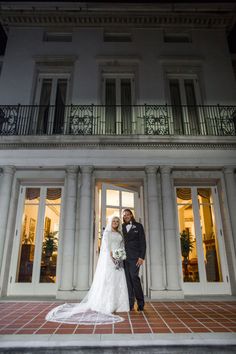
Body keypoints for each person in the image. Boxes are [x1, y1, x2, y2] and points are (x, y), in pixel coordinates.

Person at [45, 216, 129, 325]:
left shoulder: (120, 234)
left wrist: (120, 256)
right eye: (114, 221)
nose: (115, 223)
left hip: (118, 258)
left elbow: (121, 246)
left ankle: (119, 304)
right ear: (110, 222)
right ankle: (108, 304)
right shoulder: (107, 233)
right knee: (109, 281)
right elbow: (106, 247)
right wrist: (112, 257)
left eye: (117, 221)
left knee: (118, 279)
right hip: (109, 259)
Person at [122, 209, 146, 311]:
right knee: (127, 280)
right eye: (124, 215)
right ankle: (130, 303)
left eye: (128, 214)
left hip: (135, 257)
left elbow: (143, 242)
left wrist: (141, 257)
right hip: (124, 257)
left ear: (131, 215)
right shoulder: (122, 227)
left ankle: (140, 302)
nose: (126, 216)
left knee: (134, 278)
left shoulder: (138, 226)